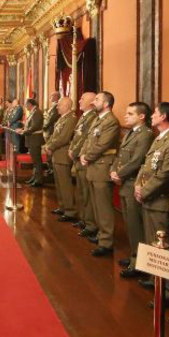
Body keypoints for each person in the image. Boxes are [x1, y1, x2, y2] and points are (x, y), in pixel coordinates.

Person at [134, 102, 169, 304]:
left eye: (155, 113)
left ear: (164, 116)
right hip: (149, 197)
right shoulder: (160, 138)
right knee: (152, 240)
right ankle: (155, 277)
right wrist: (138, 187)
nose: (152, 116)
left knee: (166, 244)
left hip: (161, 199)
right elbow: (146, 166)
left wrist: (145, 190)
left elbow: (165, 174)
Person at [110, 102, 154, 277]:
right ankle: (134, 255)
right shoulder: (131, 133)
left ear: (141, 116)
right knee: (129, 224)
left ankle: (139, 263)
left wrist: (119, 174)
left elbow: (137, 160)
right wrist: (113, 170)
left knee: (136, 225)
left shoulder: (146, 135)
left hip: (132, 182)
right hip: (124, 182)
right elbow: (120, 155)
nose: (125, 116)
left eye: (130, 113)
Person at [79, 92, 120, 257]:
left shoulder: (111, 121)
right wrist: (82, 154)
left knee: (103, 207)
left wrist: (87, 156)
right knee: (95, 204)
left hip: (102, 167)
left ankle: (106, 241)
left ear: (106, 104)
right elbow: (88, 140)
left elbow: (102, 144)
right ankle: (101, 234)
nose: (93, 102)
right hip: (92, 166)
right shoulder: (98, 119)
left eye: (97, 99)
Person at [44, 96, 77, 221]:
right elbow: (54, 135)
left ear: (67, 106)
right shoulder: (62, 118)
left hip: (62, 155)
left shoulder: (71, 119)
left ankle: (70, 211)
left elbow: (64, 138)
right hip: (56, 154)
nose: (57, 107)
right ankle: (62, 206)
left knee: (65, 184)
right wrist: (48, 145)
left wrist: (50, 146)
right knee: (59, 183)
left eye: (59, 105)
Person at [70, 92, 99, 234]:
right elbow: (77, 136)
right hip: (78, 157)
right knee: (81, 192)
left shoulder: (92, 117)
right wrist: (72, 149)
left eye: (82, 98)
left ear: (91, 102)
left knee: (87, 194)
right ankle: (83, 219)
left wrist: (75, 152)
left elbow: (85, 139)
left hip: (84, 158)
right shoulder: (84, 116)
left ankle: (90, 224)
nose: (79, 100)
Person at [21, 98, 45, 186]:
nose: (25, 106)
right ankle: (34, 177)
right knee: (34, 161)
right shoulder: (33, 112)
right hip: (31, 139)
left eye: (26, 104)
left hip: (35, 139)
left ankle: (39, 179)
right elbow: (29, 125)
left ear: (30, 104)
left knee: (37, 161)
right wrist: (23, 129)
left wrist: (24, 132)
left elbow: (35, 126)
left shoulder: (37, 112)